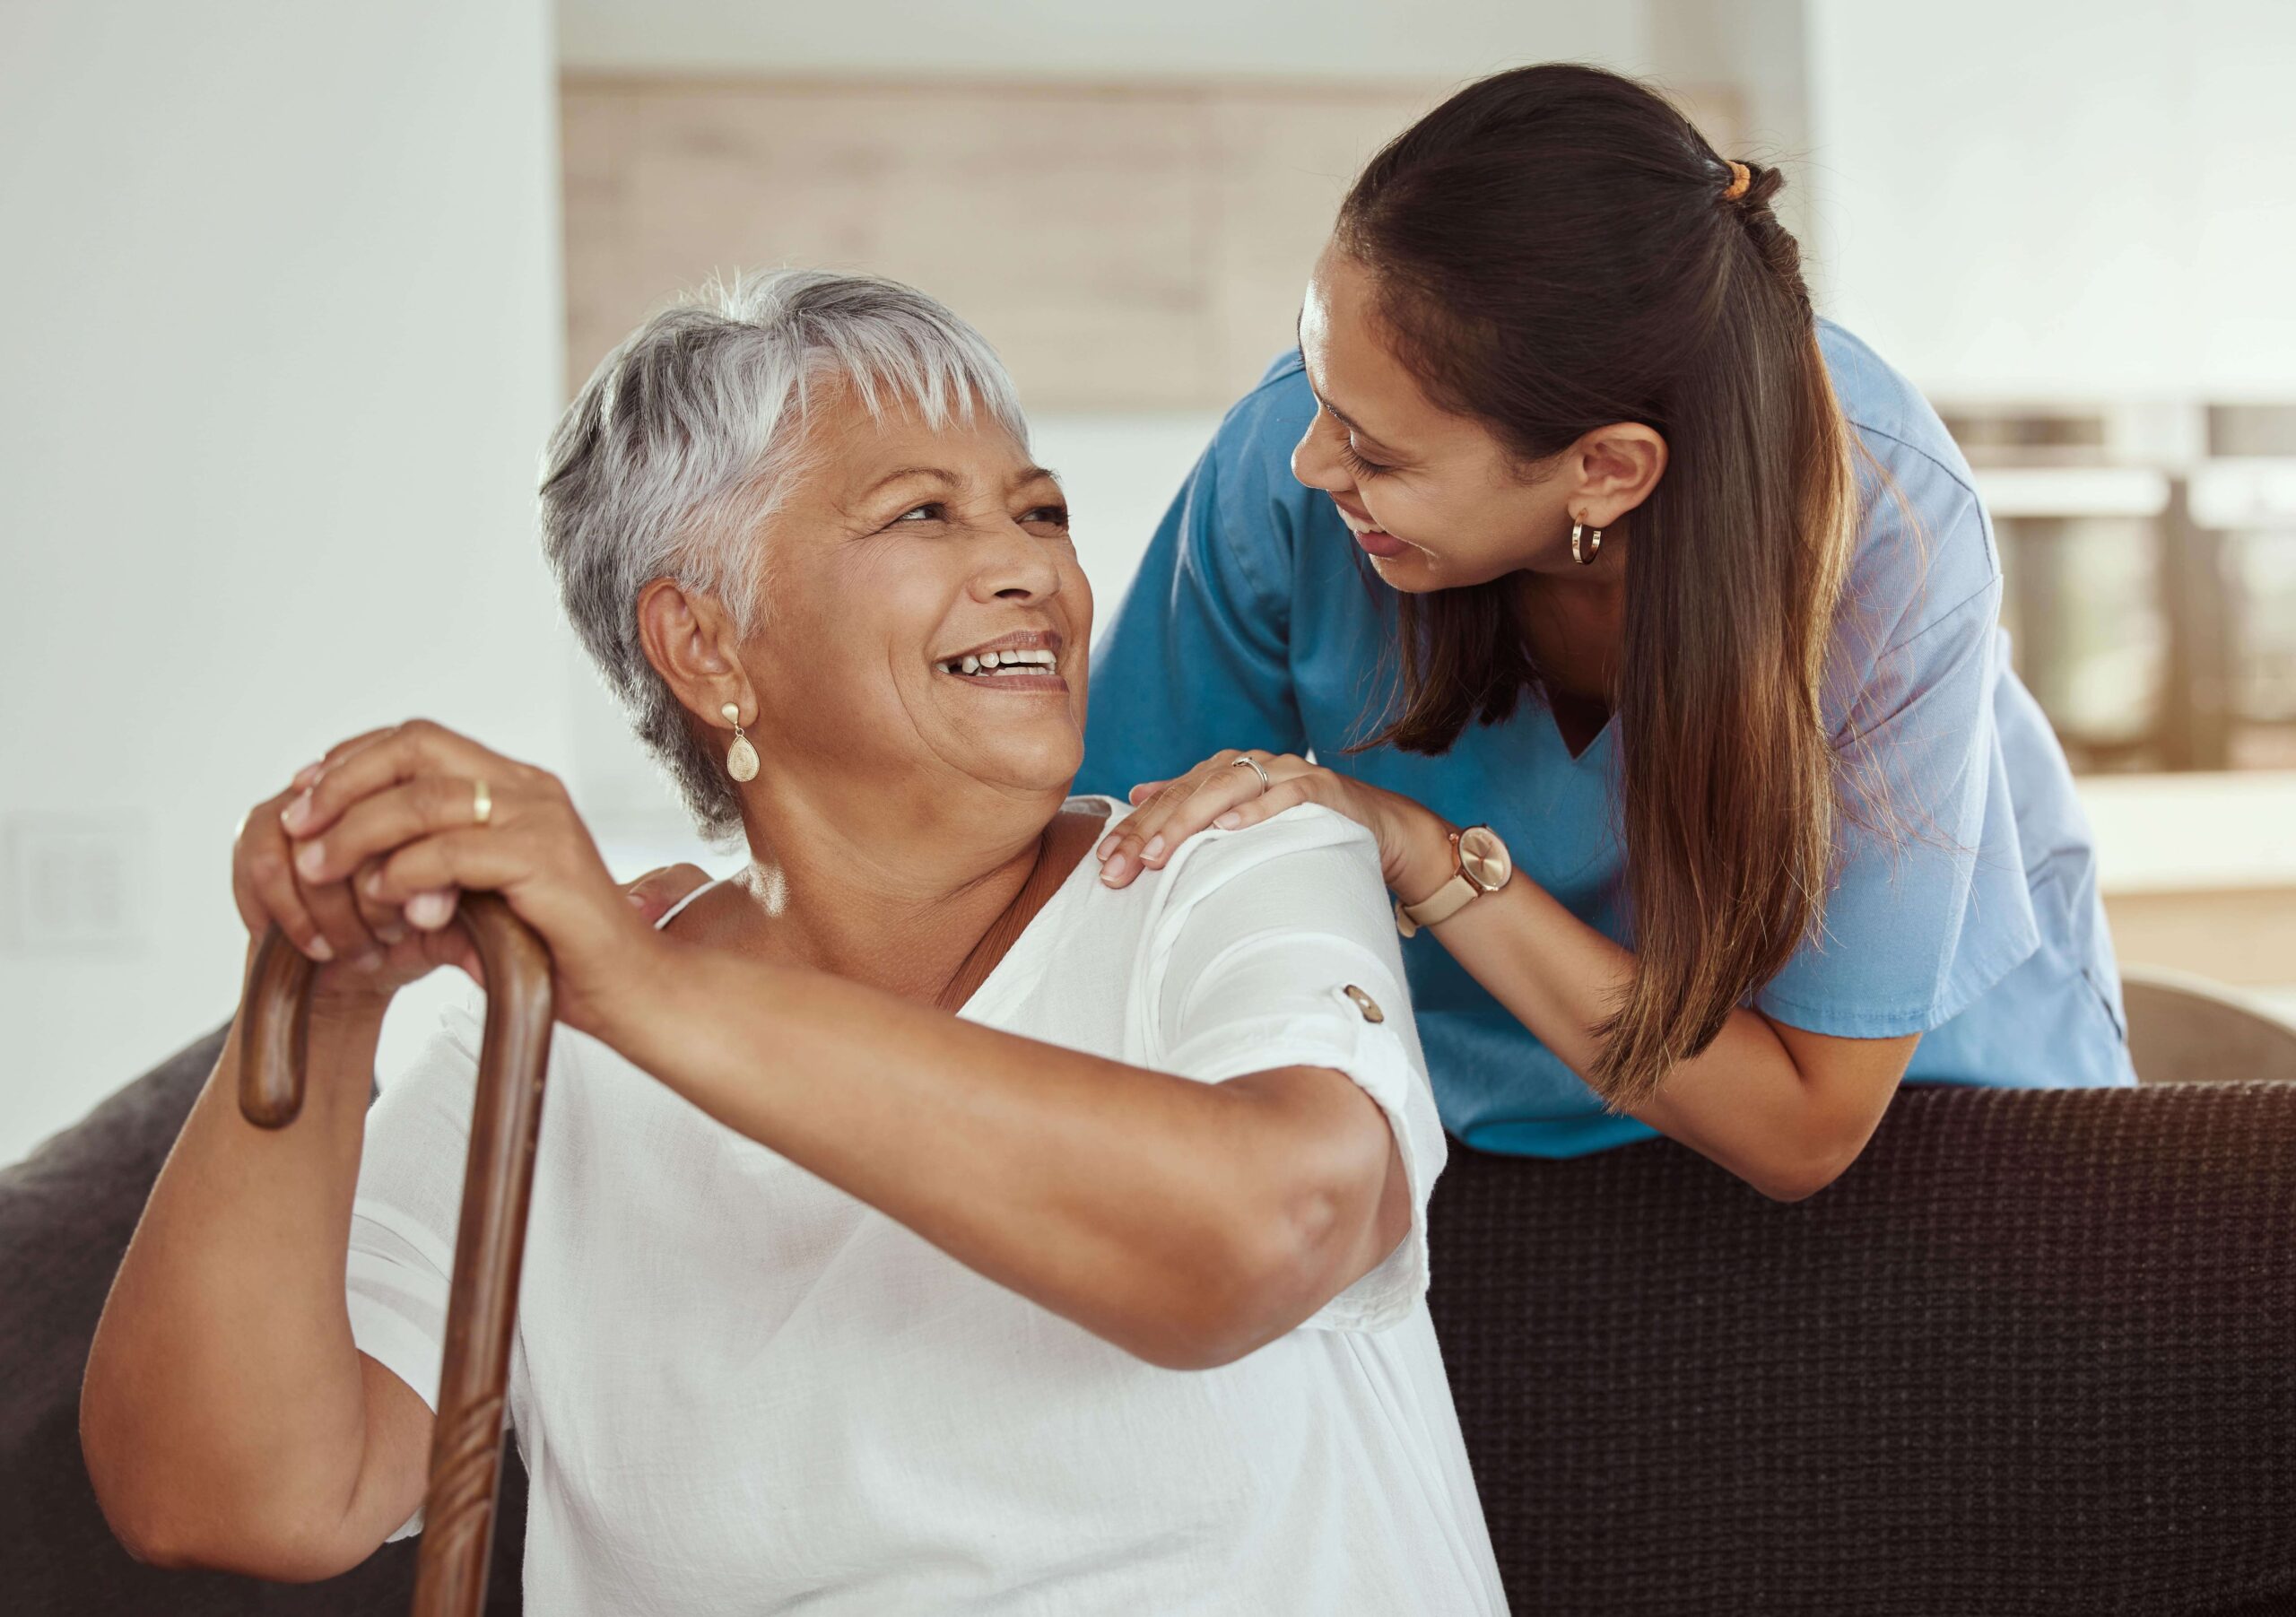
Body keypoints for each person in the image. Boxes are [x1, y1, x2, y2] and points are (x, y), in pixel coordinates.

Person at [81, 271, 1505, 1614]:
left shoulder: (1231, 860)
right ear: (704, 644)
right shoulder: (540, 1033)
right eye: (922, 516)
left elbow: (1270, 1231)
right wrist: (322, 1000)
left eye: (1040, 510)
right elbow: (234, 1493)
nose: (1031, 570)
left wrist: (645, 993)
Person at [1082, 64, 2135, 1197]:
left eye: (1377, 454)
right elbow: (1122, 896)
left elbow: (1802, 1127)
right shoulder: (1283, 468)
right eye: (1316, 383)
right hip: (1456, 1123)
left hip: (1910, 1120)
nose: (1307, 460)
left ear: (1604, 470)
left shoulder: (1886, 521)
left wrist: (1421, 852)